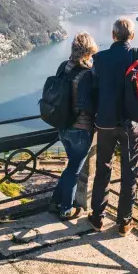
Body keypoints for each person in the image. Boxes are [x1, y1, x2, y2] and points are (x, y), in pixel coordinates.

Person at [88, 17, 138, 236]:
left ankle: (97, 218)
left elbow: (93, 90)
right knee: (130, 173)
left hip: (105, 124)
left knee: (103, 169)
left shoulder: (99, 59)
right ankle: (124, 222)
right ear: (132, 36)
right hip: (131, 125)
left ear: (113, 35)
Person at [51, 32, 98, 220]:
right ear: (87, 52)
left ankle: (55, 201)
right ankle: (65, 208)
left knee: (71, 166)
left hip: (63, 128)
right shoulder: (88, 73)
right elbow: (90, 103)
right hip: (81, 129)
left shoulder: (63, 67)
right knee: (73, 170)